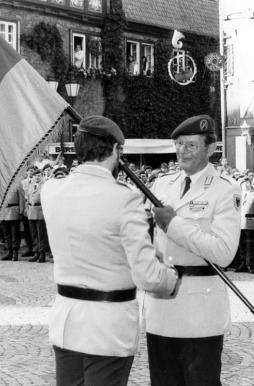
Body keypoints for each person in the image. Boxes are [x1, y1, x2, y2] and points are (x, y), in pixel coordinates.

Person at [41, 115, 179, 386]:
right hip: (108, 329)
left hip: (66, 322)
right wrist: (171, 276)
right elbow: (148, 277)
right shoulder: (124, 198)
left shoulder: (51, 190)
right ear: (117, 151)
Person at [145, 115, 241, 386]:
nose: (181, 151)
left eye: (190, 145)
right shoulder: (162, 184)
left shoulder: (225, 190)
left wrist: (173, 224)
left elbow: (224, 252)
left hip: (201, 310)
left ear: (210, 149)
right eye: (178, 144)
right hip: (162, 306)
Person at [236, 177, 254, 273]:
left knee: (249, 245)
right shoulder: (237, 195)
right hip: (239, 223)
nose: (246, 185)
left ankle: (249, 264)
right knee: (241, 244)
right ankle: (242, 263)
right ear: (241, 185)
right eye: (244, 183)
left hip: (249, 222)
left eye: (248, 183)